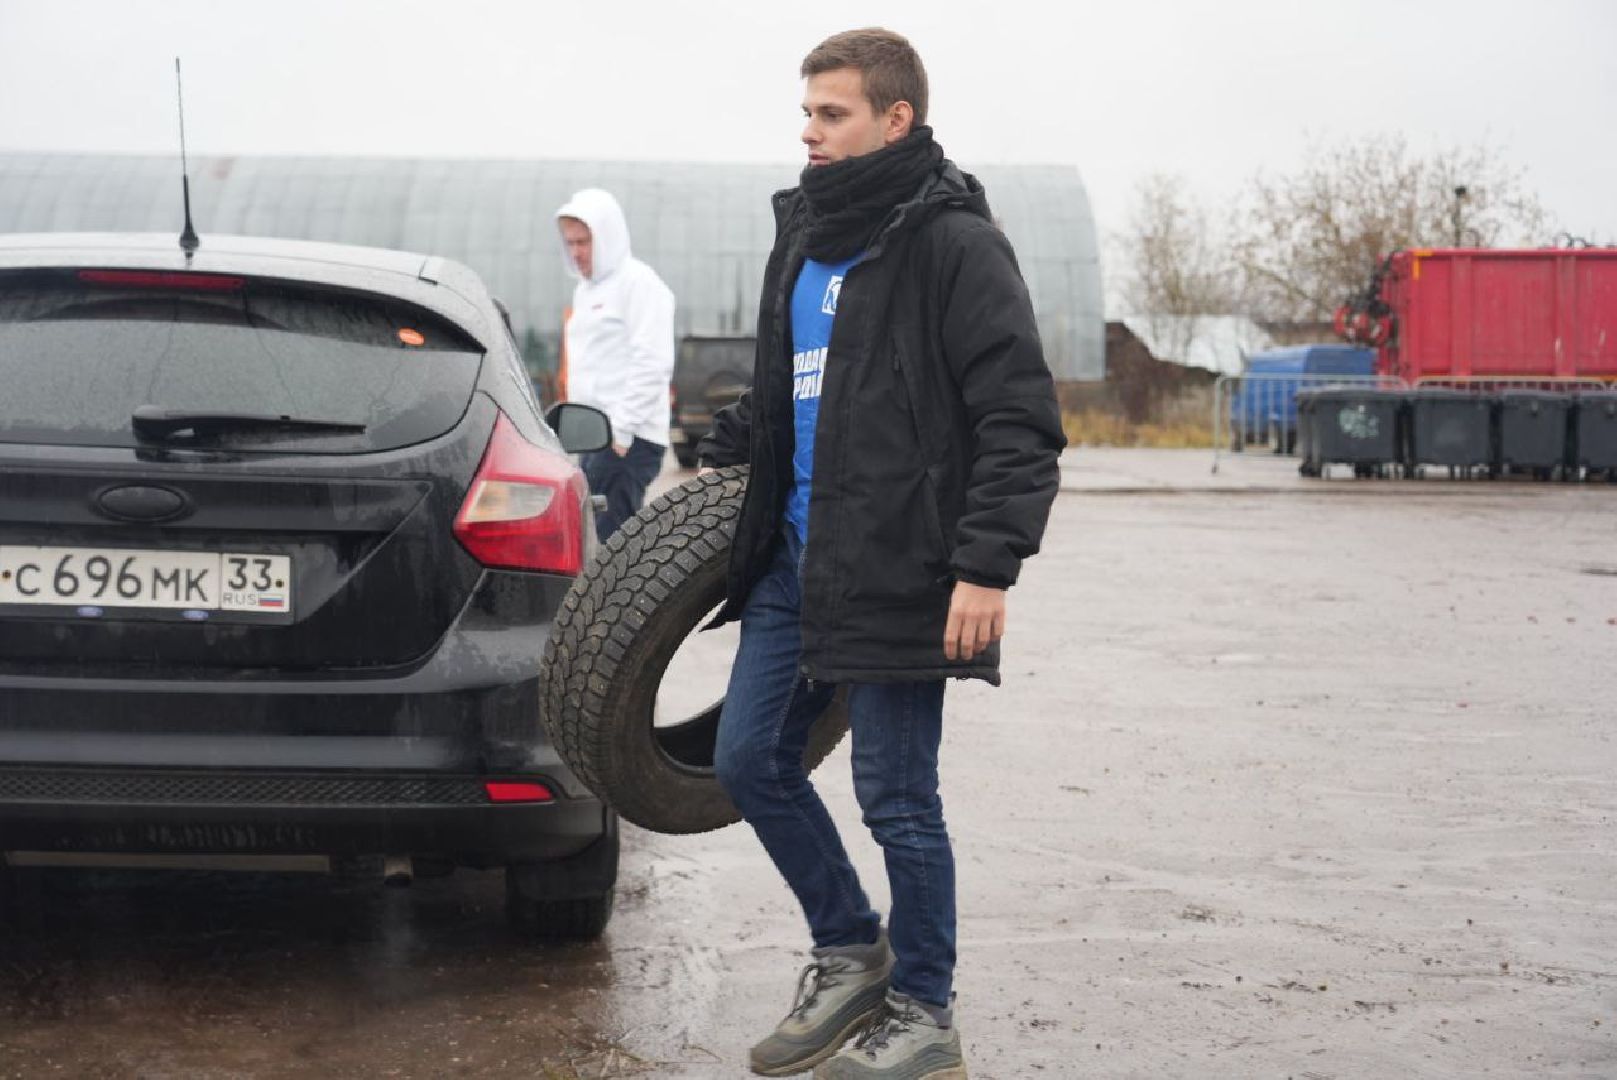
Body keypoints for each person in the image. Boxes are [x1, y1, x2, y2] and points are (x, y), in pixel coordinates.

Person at [696, 27, 1066, 1080]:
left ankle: (926, 1010)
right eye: (806, 112)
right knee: (746, 761)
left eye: (831, 113)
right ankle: (850, 946)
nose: (808, 131)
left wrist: (988, 564)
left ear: (894, 118)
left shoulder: (952, 242)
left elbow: (1017, 418)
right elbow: (780, 392)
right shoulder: (803, 238)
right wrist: (716, 476)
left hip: (906, 568)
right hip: (795, 564)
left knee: (897, 797)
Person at [555, 188, 676, 539]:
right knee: (593, 544)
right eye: (570, 243)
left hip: (627, 437)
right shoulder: (585, 290)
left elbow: (652, 361)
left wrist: (621, 431)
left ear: (607, 237)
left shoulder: (639, 284)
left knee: (612, 547)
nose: (576, 252)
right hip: (596, 438)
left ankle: (625, 598)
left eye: (584, 242)